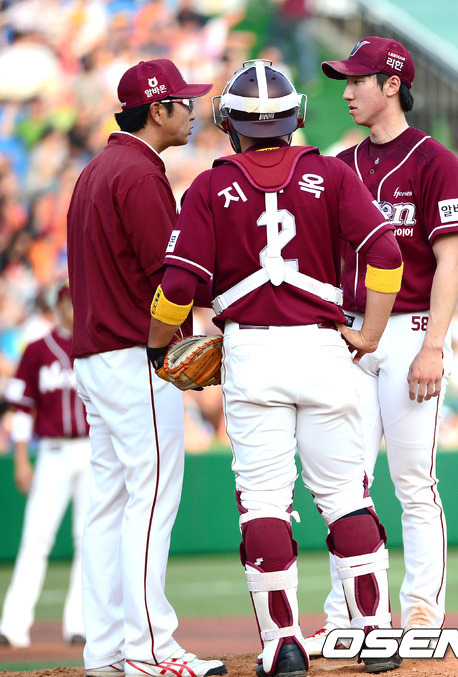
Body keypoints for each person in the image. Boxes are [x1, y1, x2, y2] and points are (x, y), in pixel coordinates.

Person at [147, 59, 405, 676]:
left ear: (231, 123)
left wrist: (159, 348)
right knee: (345, 497)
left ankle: (283, 645)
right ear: (294, 118)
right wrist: (370, 334)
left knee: (263, 504)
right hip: (323, 349)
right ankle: (375, 635)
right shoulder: (331, 173)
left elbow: (177, 288)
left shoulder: (209, 187)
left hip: (252, 353)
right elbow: (387, 254)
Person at [304, 37, 458, 657]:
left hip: (409, 331)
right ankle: (347, 614)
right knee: (345, 484)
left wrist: (434, 346)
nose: (348, 92)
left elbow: (450, 260)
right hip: (351, 332)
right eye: (346, 81)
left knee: (412, 480)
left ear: (392, 84)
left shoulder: (437, 162)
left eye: (358, 81)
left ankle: (423, 610)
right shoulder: (340, 164)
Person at [66, 59, 226, 677]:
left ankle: (106, 651)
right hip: (136, 356)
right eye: (183, 102)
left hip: (96, 358)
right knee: (152, 499)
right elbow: (173, 278)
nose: (192, 111)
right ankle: (150, 649)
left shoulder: (96, 170)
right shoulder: (138, 172)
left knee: (110, 505)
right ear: (157, 110)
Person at [0, 281, 89, 648]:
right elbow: (21, 407)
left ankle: (80, 624)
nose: (72, 307)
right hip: (52, 452)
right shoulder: (37, 349)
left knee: (88, 539)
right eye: (66, 301)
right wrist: (21, 458)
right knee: (36, 538)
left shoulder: (96, 344)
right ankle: (12, 626)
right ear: (57, 306)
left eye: (76, 300)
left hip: (91, 450)